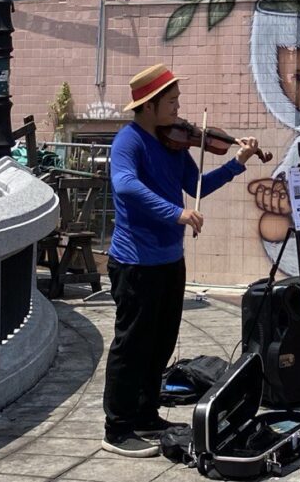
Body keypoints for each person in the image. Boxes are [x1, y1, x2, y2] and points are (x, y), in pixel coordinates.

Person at [101, 63, 259, 458]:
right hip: (135, 261)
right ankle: (117, 429)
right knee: (131, 346)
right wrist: (176, 213)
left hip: (169, 260)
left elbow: (196, 185)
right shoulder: (129, 141)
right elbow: (125, 185)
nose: (178, 110)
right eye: (171, 103)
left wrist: (237, 163)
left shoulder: (173, 143)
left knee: (160, 344)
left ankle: (146, 414)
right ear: (149, 105)